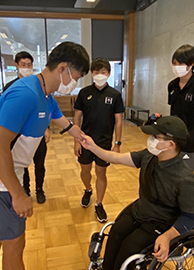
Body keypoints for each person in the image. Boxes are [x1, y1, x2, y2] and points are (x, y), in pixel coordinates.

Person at [0, 41, 90, 270]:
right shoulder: (24, 94)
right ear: (63, 68)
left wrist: (81, 137)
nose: (74, 83)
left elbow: (63, 122)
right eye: (76, 76)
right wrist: (18, 194)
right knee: (15, 243)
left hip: (6, 175)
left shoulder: (46, 96)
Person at [77, 116, 194, 270]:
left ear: (170, 144)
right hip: (142, 210)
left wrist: (167, 236)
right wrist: (93, 147)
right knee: (115, 233)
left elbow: (190, 217)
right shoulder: (150, 156)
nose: (150, 140)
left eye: (155, 137)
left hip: (163, 222)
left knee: (129, 249)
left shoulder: (185, 179)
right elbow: (118, 158)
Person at [74, 57, 125, 223]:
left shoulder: (115, 95)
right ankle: (88, 190)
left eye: (103, 72)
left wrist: (117, 144)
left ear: (109, 74)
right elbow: (77, 118)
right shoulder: (84, 93)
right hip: (84, 141)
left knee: (101, 172)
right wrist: (76, 140)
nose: (99, 75)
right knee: (85, 170)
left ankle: (99, 203)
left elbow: (118, 121)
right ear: (91, 73)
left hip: (104, 142)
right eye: (96, 72)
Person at [3, 51, 49, 204]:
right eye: (23, 65)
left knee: (39, 164)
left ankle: (40, 189)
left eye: (29, 65)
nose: (27, 67)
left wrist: (46, 129)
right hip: (18, 135)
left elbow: (46, 109)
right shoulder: (10, 87)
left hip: (38, 133)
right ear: (16, 65)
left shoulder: (40, 87)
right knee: (22, 164)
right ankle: (25, 189)